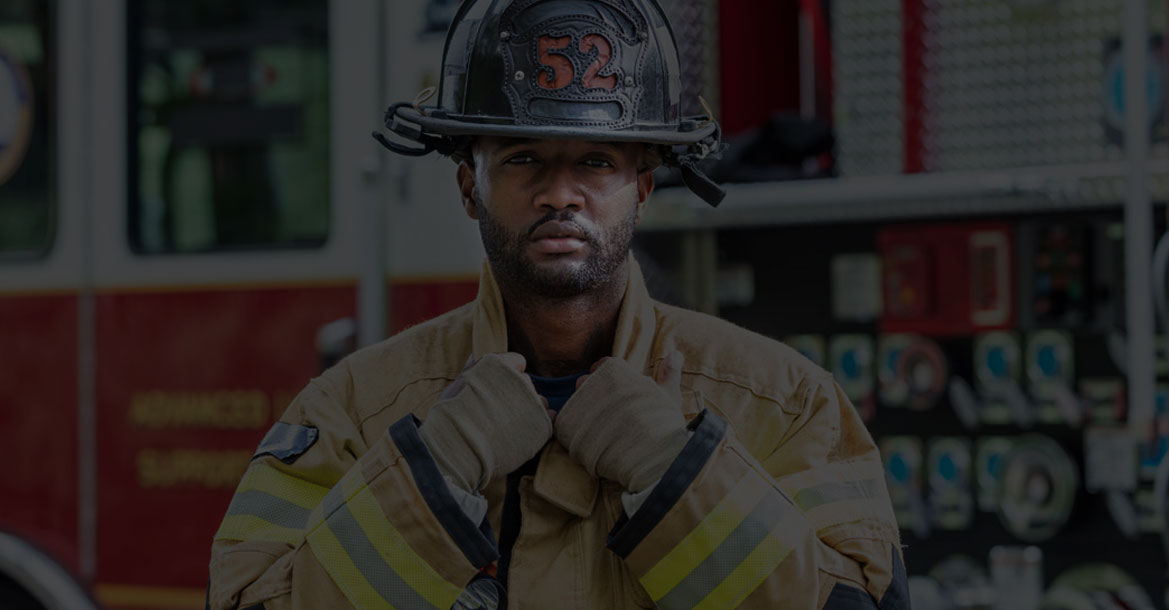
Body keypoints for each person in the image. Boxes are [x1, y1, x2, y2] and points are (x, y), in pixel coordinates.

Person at [207, 1, 908, 608]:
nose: (560, 193)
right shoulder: (355, 410)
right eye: (522, 159)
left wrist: (679, 473)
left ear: (642, 188)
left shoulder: (785, 405)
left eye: (596, 162)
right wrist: (432, 471)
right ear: (467, 187)